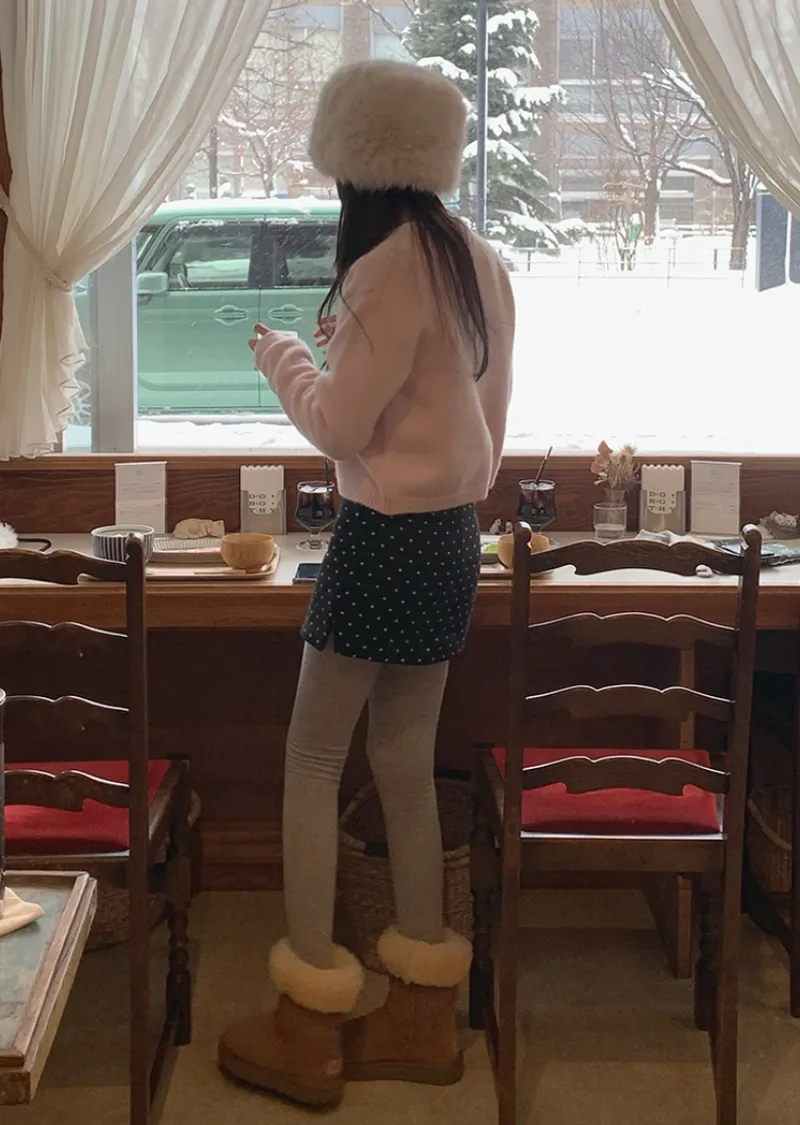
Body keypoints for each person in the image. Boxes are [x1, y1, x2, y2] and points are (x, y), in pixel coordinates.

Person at [218, 58, 515, 1108]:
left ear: (351, 165)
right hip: (452, 539)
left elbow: (340, 427)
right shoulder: (476, 257)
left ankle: (307, 1026)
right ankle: (422, 1016)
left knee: (310, 761)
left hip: (383, 537)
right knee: (402, 762)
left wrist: (285, 359)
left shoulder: (386, 266)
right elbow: (483, 417)